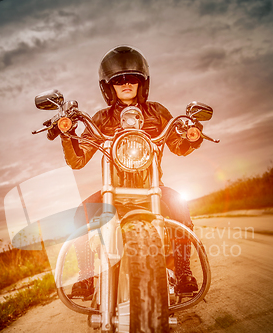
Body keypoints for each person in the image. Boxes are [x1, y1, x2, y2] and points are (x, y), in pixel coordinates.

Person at [51, 46, 202, 298]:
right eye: (118, 80)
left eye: (132, 78)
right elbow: (78, 161)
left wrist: (191, 136)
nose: (126, 83)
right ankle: (87, 276)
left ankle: (184, 271)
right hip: (113, 191)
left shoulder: (158, 111)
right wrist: (67, 134)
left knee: (180, 207)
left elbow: (178, 147)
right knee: (80, 215)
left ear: (143, 82)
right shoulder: (98, 118)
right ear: (108, 86)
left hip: (153, 188)